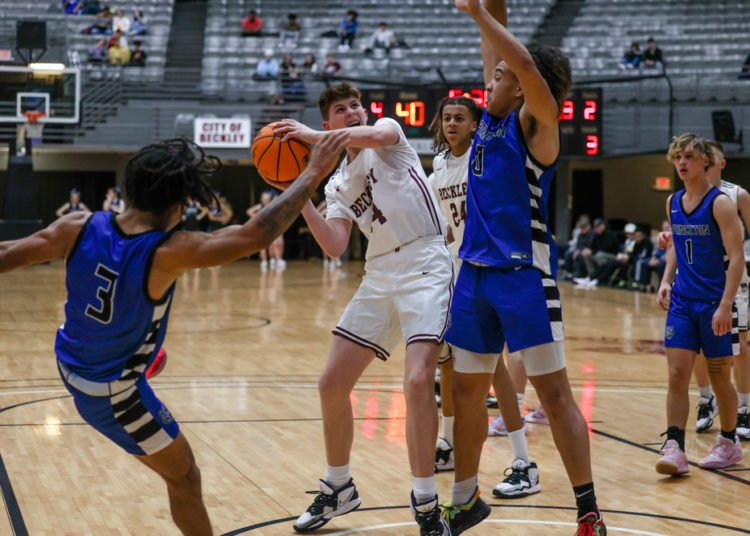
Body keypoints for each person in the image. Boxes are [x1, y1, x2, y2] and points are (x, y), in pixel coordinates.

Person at [0, 135, 349, 536]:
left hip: (71, 362)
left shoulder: (78, 226)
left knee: (148, 367)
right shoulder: (165, 251)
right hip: (112, 393)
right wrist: (312, 173)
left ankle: (141, 357)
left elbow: (7, 253)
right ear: (179, 204)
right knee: (185, 476)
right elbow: (253, 235)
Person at [442, 1, 605, 534]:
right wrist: (483, 9)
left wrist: (479, 18)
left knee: (554, 395)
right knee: (466, 393)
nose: (489, 79)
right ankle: (464, 499)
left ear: (522, 88)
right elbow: (498, 36)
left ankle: (588, 511)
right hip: (473, 274)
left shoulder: (536, 127)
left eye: (500, 75)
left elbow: (524, 64)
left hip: (523, 277)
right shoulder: (489, 121)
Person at [272, 82, 453, 535]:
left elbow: (372, 135)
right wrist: (299, 193)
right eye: (342, 109)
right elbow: (335, 245)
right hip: (380, 272)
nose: (353, 111)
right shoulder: (337, 183)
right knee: (331, 382)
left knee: (418, 381)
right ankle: (339, 487)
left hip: (425, 262)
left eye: (356, 105)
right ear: (329, 120)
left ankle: (426, 502)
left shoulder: (388, 134)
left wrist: (310, 137)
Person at [427, 94, 543, 500]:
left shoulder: (483, 159)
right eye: (447, 118)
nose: (451, 124)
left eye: (460, 117)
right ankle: (448, 443)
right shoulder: (439, 166)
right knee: (447, 364)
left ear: (476, 124)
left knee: (496, 371)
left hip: (490, 270)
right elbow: (443, 227)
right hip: (456, 274)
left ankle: (524, 461)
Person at [655, 134, 744, 474]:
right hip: (682, 301)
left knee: (720, 377)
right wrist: (666, 280)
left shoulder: (720, 203)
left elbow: (737, 258)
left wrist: (725, 305)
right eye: (678, 156)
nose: (682, 162)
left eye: (689, 156)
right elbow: (677, 246)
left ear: (706, 161)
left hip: (713, 303)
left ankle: (729, 441)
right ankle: (674, 446)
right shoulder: (673, 201)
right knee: (677, 374)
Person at [683, 141, 750, 441]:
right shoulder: (686, 196)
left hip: (733, 280)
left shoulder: (737, 195)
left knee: (740, 348)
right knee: (697, 347)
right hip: (698, 282)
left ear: (719, 163)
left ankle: (745, 407)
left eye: (709, 155)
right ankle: (705, 399)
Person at [575, 218, 620, 289]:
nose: (597, 228)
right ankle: (590, 277)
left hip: (612, 255)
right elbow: (592, 247)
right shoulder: (596, 235)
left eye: (598, 226)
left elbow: (607, 249)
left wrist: (593, 251)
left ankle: (599, 277)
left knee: (599, 255)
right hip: (598, 253)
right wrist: (588, 250)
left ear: (603, 226)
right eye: (596, 227)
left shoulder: (611, 234)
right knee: (586, 255)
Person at [247, 191, 286, 272]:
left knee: (276, 243)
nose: (265, 200)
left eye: (266, 198)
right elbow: (249, 211)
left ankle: (276, 260)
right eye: (263, 198)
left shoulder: (273, 206)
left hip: (273, 227)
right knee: (263, 246)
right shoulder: (260, 206)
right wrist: (257, 217)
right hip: (264, 228)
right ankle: (264, 262)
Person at [563, 216, 593, 281]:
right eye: (581, 227)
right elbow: (578, 245)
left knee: (580, 255)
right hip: (579, 250)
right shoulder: (580, 235)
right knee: (568, 254)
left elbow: (590, 245)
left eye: (584, 227)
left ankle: (580, 274)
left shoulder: (592, 234)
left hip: (588, 251)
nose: (582, 229)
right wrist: (577, 250)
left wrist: (579, 251)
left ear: (588, 226)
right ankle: (569, 273)